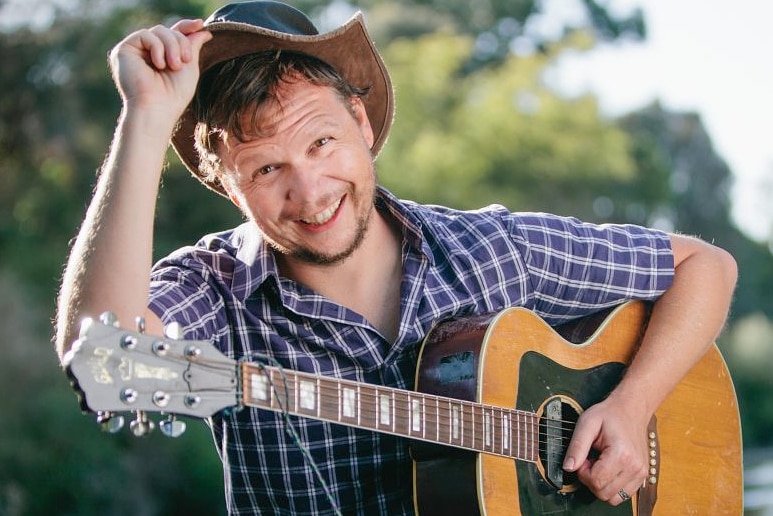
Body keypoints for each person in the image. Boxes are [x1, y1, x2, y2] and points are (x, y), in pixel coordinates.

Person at [55, 1, 737, 514]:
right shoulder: (214, 290)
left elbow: (703, 268)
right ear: (224, 184)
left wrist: (628, 406)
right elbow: (99, 357)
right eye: (265, 170)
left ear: (360, 121)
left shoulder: (491, 250)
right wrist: (143, 120)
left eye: (321, 143)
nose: (310, 192)